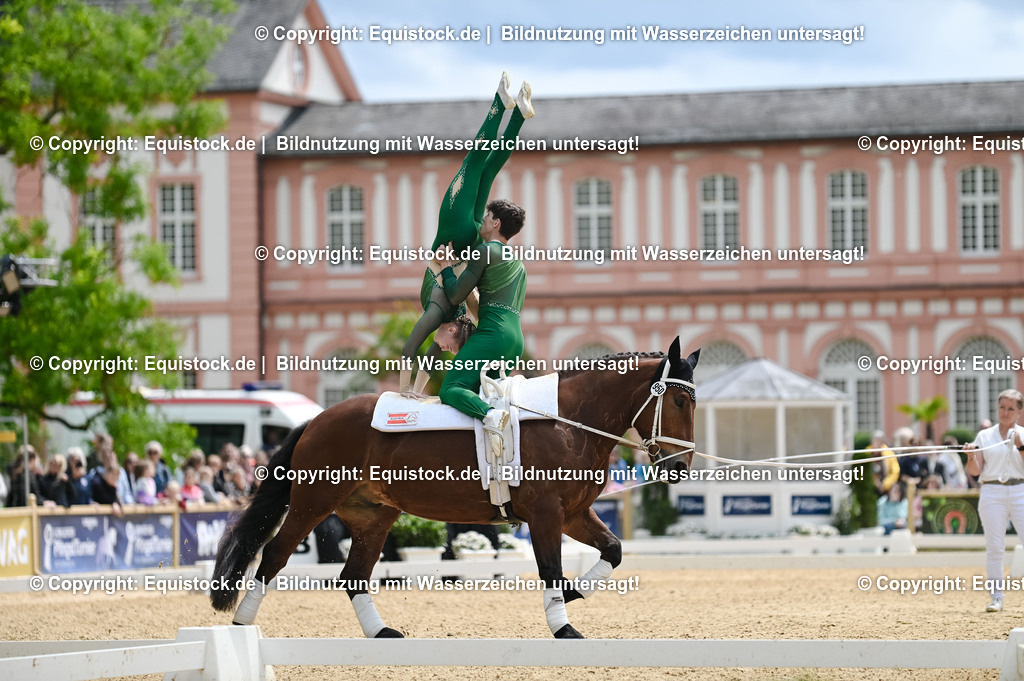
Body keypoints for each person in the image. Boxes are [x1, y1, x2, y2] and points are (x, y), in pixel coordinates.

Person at [399, 71, 533, 395]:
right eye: (449, 347)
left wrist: (406, 394)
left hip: (459, 241)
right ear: (455, 331)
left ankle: (510, 112)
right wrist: (410, 392)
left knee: (480, 165)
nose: (444, 347)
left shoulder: (445, 313)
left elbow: (417, 350)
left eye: (444, 345)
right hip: (460, 237)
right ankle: (508, 112)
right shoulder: (449, 313)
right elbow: (426, 354)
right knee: (479, 166)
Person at [436, 197, 528, 461]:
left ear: (496, 223)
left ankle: (491, 416)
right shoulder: (518, 263)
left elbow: (454, 295)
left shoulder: (486, 252)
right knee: (484, 394)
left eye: (486, 217)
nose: (482, 221)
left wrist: (446, 268)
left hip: (492, 335)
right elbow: (481, 307)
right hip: (514, 341)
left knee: (451, 389)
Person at [965, 388, 1024, 613]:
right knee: (995, 547)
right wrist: (971, 455)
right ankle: (996, 597)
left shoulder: (1023, 434)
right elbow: (975, 470)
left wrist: (1020, 445)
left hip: (1020, 490)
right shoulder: (985, 436)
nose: (1005, 412)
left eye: (1011, 408)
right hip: (992, 491)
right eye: (1002, 407)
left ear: (1019, 412)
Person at [868, 431, 900, 496]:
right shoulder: (867, 453)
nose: (876, 444)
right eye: (874, 441)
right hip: (870, 488)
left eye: (879, 441)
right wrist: (875, 483)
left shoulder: (889, 454)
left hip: (886, 489)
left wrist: (885, 485)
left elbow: (895, 471)